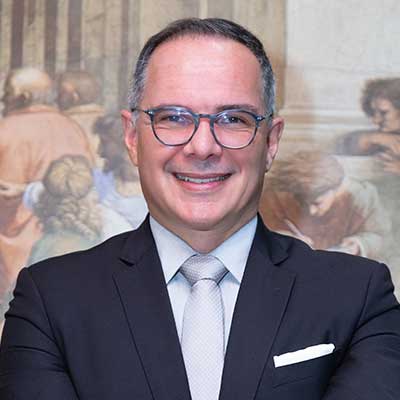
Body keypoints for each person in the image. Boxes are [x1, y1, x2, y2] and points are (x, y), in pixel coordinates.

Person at [1, 18, 399, 400]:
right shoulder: (49, 302)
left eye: (233, 118)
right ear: (132, 138)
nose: (203, 147)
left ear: (271, 142)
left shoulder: (359, 298)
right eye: (173, 118)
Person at [0, 68, 93, 303]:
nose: (3, 99)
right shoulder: (71, 128)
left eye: (7, 93)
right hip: (67, 240)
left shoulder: (6, 130)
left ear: (22, 97)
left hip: (17, 251)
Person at [260, 151, 391, 259]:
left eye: (317, 203)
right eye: (302, 203)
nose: (311, 211)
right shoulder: (276, 195)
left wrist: (359, 244)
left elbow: (382, 237)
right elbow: (260, 233)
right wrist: (284, 238)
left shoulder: (361, 197)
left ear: (336, 190)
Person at [57, 70, 106, 166]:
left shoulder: (62, 125)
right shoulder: (111, 122)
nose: (56, 98)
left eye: (61, 93)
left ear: (75, 97)